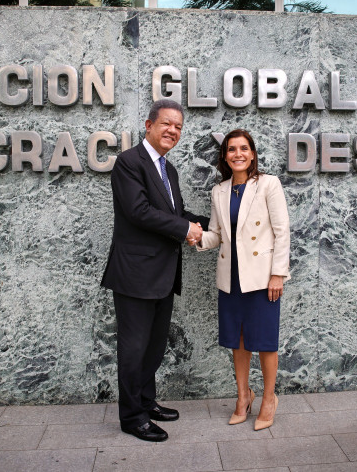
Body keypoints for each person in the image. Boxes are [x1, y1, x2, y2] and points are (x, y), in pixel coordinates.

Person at [101, 99, 208, 442]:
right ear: (149, 126)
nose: (173, 131)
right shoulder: (129, 162)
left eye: (178, 127)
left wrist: (212, 223)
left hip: (163, 274)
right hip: (135, 275)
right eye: (166, 124)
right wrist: (185, 229)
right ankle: (133, 417)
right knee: (134, 349)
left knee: (154, 347)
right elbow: (139, 211)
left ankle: (146, 403)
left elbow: (176, 214)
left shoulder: (168, 170)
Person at [197, 129, 290, 431]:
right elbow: (217, 235)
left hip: (262, 278)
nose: (238, 154)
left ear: (252, 154)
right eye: (231, 149)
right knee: (238, 341)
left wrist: (278, 274)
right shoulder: (219, 191)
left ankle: (269, 398)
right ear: (224, 156)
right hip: (231, 277)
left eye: (243, 148)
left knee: (264, 341)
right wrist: (195, 236)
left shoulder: (268, 184)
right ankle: (243, 397)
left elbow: (282, 232)